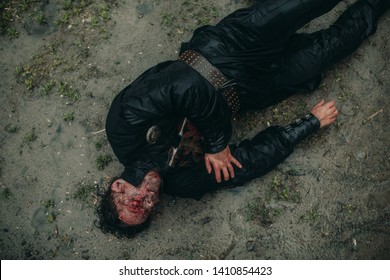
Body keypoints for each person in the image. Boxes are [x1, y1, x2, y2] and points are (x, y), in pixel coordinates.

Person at [96, 0, 389, 237]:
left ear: (119, 187)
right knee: (338, 44)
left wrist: (217, 144)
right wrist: (307, 124)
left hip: (227, 47)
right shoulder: (183, 183)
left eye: (134, 200)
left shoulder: (123, 129)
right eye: (147, 207)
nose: (148, 197)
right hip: (252, 91)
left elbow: (187, 85)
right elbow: (245, 164)